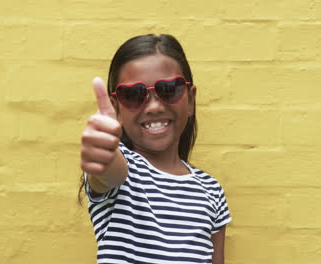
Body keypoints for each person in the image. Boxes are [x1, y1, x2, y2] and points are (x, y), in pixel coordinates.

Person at [78, 34, 231, 264]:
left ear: (190, 100)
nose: (154, 106)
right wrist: (104, 155)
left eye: (169, 89)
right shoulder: (124, 172)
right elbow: (108, 173)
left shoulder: (211, 190)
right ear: (117, 108)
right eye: (133, 95)